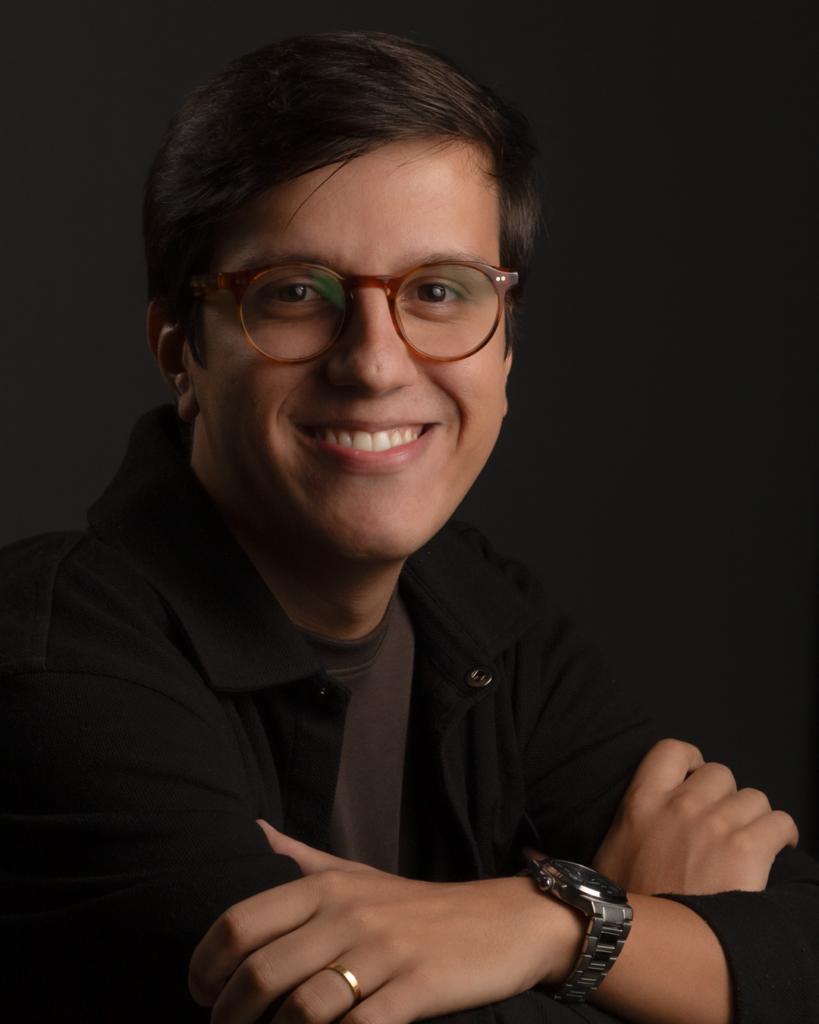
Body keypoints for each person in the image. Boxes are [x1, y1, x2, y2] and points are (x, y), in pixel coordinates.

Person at [0, 30, 816, 1024]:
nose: (376, 364)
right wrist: (646, 938)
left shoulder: (480, 611)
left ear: (505, 349)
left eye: (437, 291)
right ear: (181, 352)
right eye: (295, 293)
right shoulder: (56, 670)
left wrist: (548, 925)